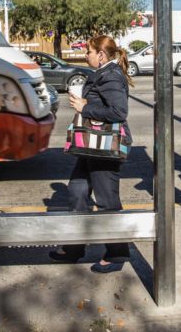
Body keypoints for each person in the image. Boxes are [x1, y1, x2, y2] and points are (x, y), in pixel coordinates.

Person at [49, 35, 133, 273]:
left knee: (107, 201)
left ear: (101, 55)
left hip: (104, 148)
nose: (85, 55)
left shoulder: (112, 76)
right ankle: (74, 248)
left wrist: (85, 107)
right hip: (91, 146)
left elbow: (118, 111)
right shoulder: (104, 73)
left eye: (89, 51)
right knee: (77, 192)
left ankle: (117, 254)